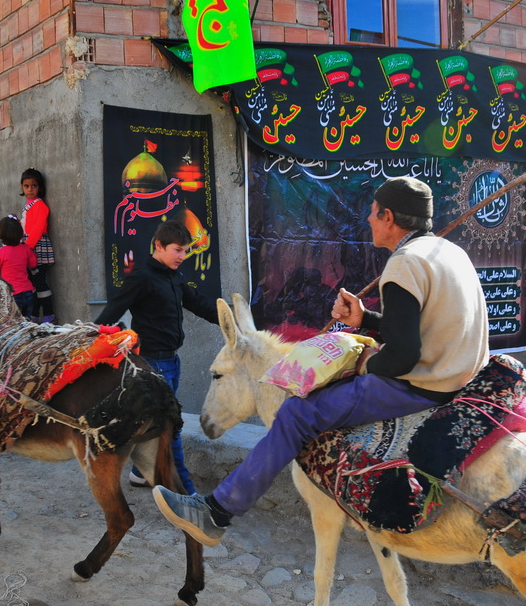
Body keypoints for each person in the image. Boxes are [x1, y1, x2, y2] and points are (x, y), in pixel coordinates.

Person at [153, 177, 490, 546]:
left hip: (424, 386)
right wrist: (366, 321)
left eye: (374, 214)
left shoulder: (404, 264)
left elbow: (403, 355)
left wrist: (361, 365)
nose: (368, 220)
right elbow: (421, 330)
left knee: (296, 414)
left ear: (389, 217)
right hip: (461, 377)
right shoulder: (448, 252)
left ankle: (216, 513)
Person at [97, 220, 220, 496]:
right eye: (177, 250)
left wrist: (231, 321)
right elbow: (113, 310)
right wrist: (89, 337)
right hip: (152, 365)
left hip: (172, 362)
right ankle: (187, 493)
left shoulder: (173, 276)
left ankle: (141, 474)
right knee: (169, 429)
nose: (182, 256)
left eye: (186, 251)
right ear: (159, 246)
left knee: (158, 424)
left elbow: (199, 303)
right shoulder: (141, 277)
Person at [19, 168, 57, 323]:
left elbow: (38, 229)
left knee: (40, 282)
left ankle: (49, 314)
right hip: (31, 247)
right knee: (34, 283)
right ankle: (35, 315)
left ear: (40, 187)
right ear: (22, 187)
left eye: (33, 186)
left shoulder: (40, 205)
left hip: (37, 248)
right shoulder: (30, 204)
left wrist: (27, 249)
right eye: (26, 186)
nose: (30, 189)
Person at [0, 215, 37, 318]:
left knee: (14, 323)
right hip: (28, 292)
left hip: (12, 294)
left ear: (0, 235)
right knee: (27, 322)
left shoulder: (0, 253)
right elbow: (33, 264)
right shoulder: (26, 249)